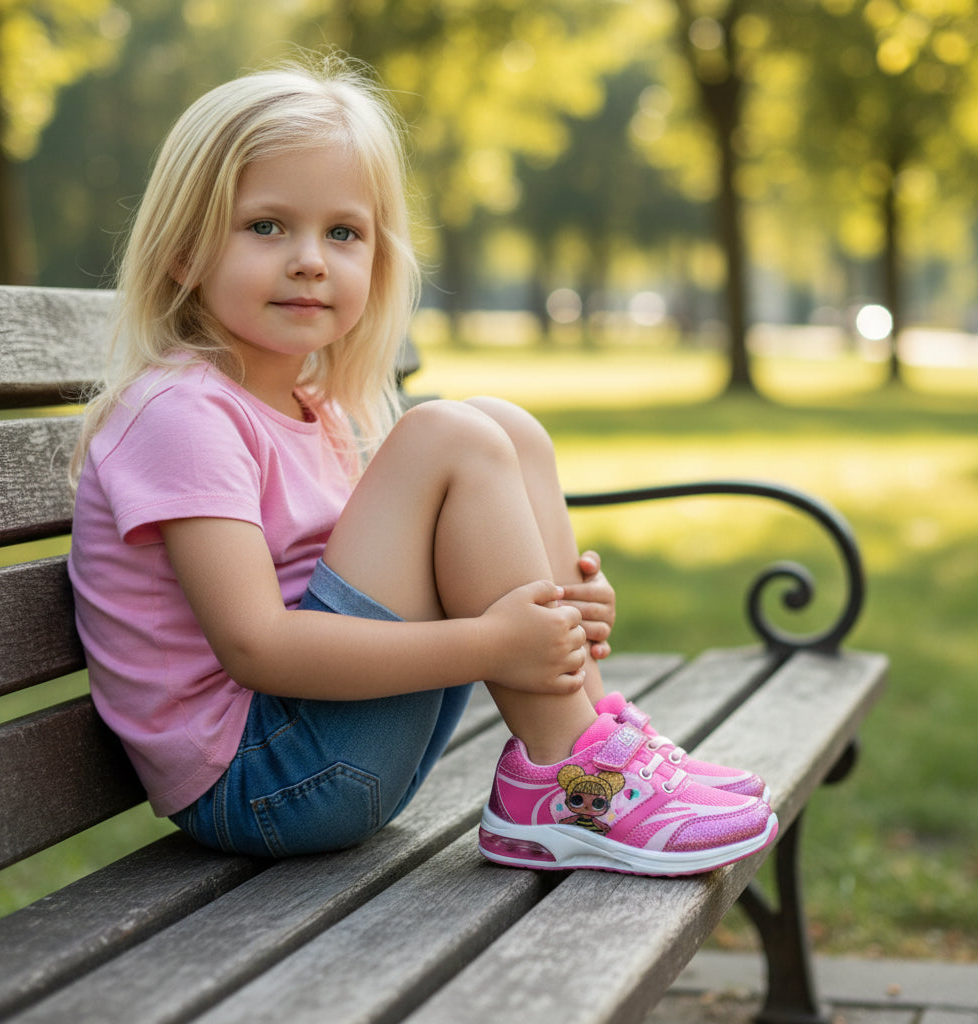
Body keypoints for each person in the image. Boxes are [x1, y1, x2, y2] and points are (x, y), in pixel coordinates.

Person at [68, 56, 776, 875]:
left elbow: (386, 583)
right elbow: (256, 648)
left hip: (322, 754)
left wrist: (554, 615)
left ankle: (589, 740)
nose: (310, 259)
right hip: (260, 780)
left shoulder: (313, 408)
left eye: (343, 232)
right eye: (267, 226)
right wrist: (494, 643)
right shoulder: (181, 415)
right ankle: (573, 779)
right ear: (184, 251)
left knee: (504, 427)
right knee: (446, 433)